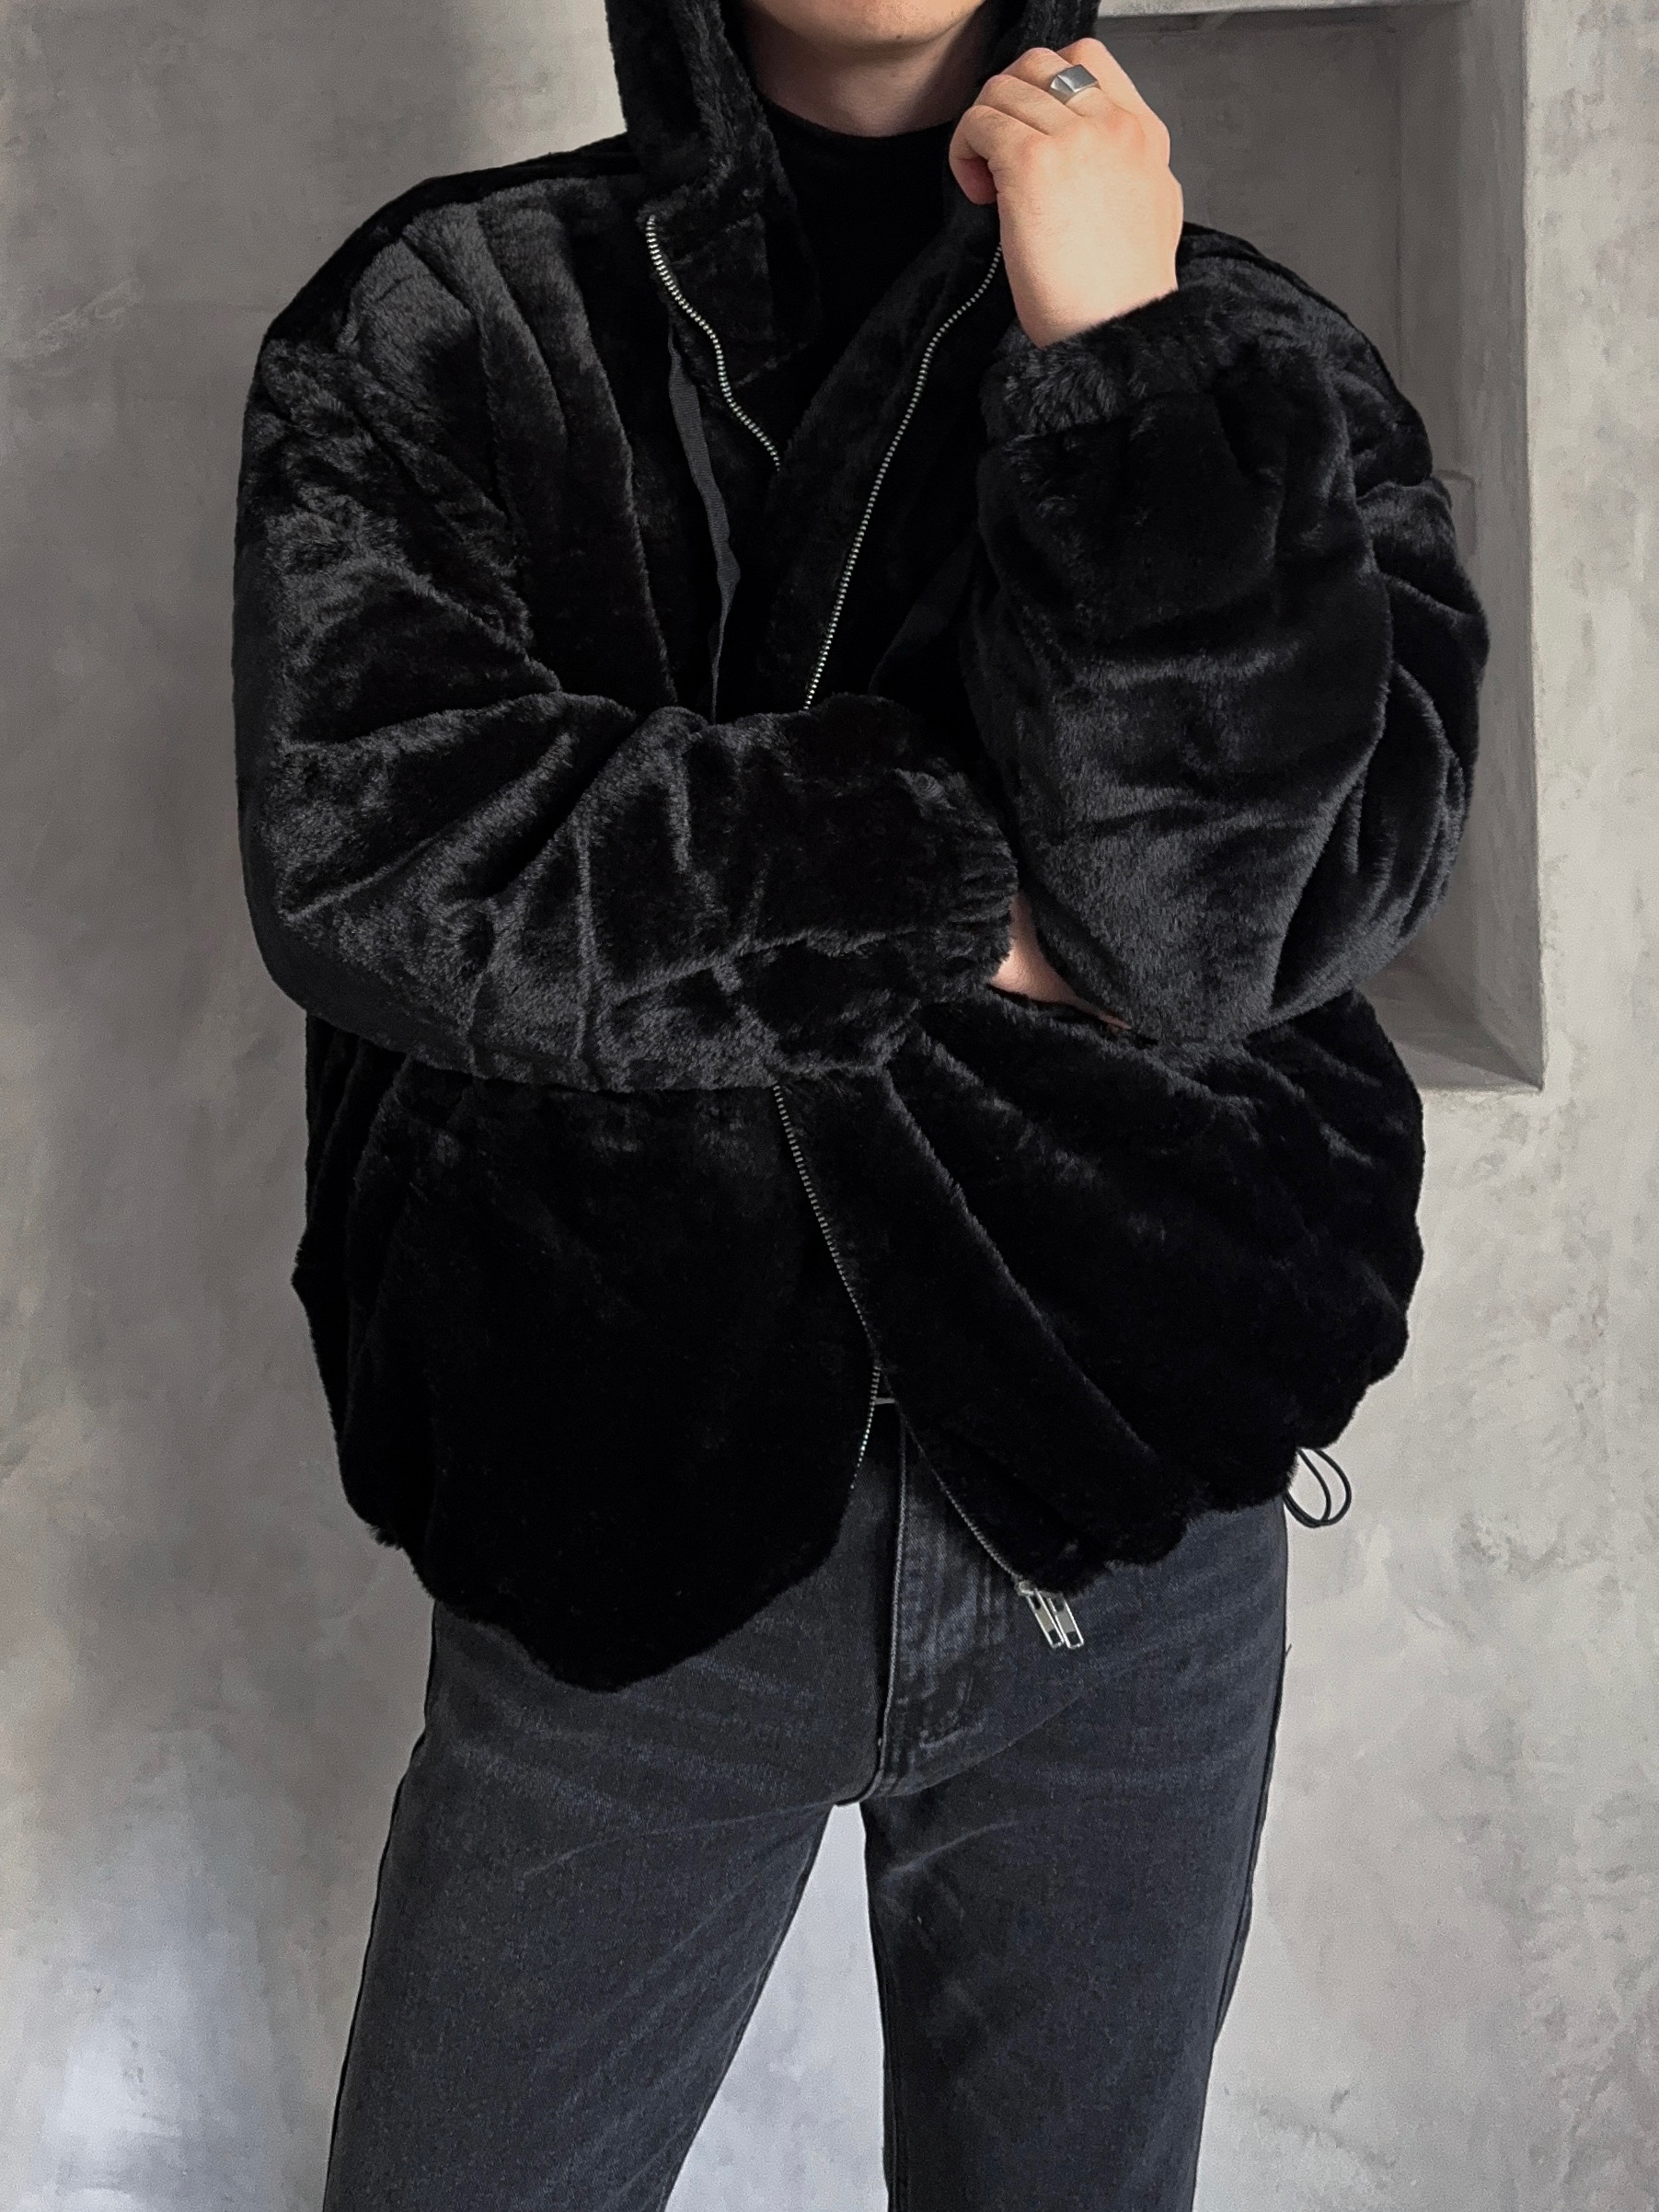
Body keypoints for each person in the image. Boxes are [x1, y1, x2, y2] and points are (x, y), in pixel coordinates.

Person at [231, 0, 1488, 2203]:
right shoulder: (444, 313)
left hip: (1125, 1520)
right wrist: (966, 881)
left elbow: (1227, 923)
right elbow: (389, 860)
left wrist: (1114, 348)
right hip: (620, 1514)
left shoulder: (1250, 360)